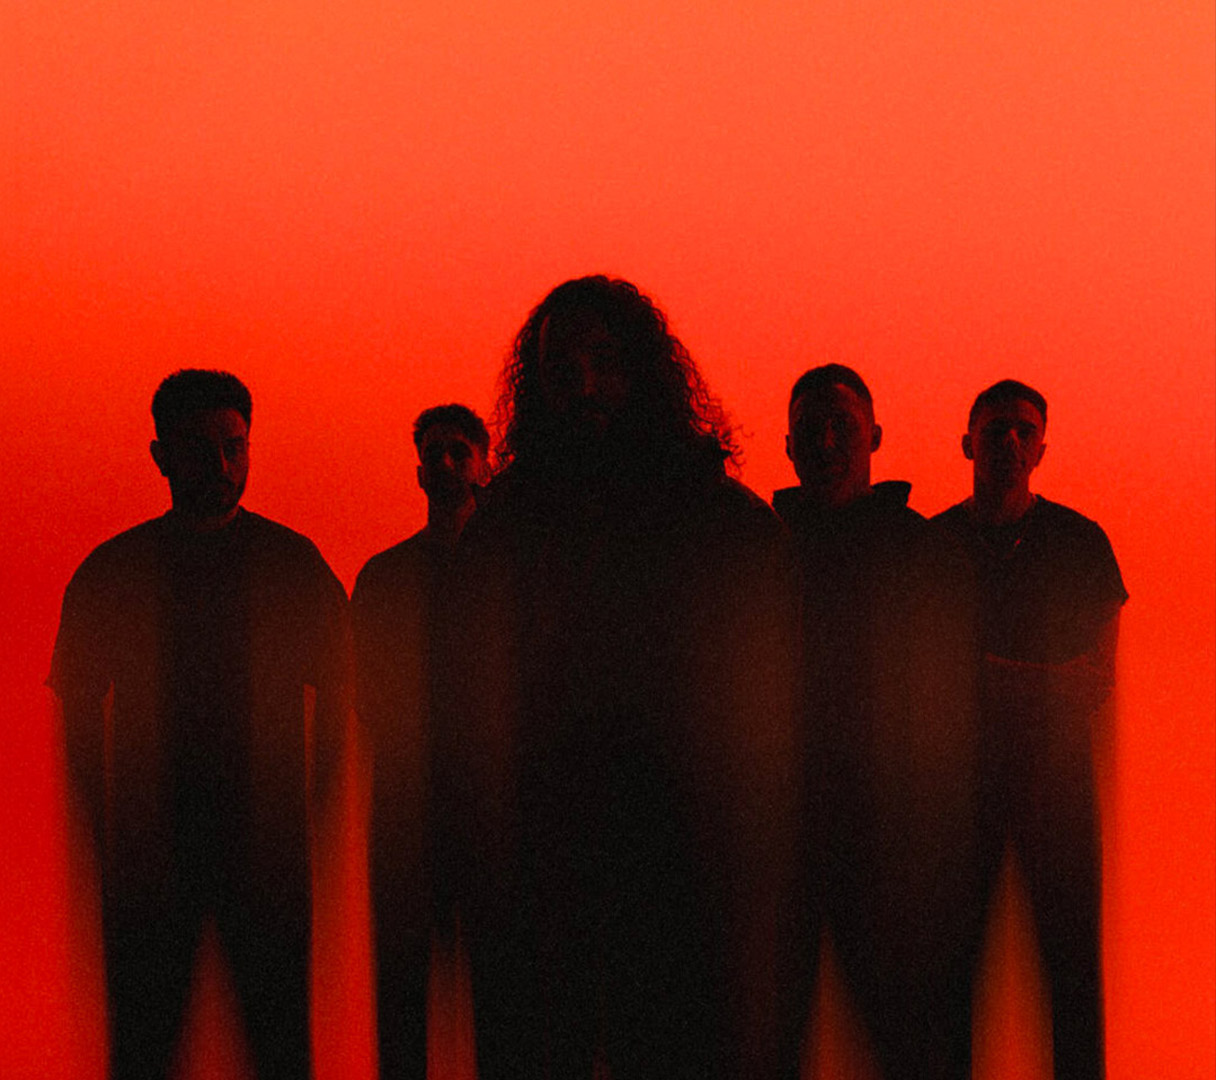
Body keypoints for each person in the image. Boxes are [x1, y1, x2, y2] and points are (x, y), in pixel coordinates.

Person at [429, 277, 800, 1079]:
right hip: (546, 855)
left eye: (604, 361)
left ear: (643, 371)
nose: (585, 386)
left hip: (682, 856)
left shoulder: (723, 520)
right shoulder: (511, 520)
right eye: (563, 367)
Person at [47, 370, 350, 1080]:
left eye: (234, 447)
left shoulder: (291, 565)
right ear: (161, 455)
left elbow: (340, 700)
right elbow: (81, 722)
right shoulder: (116, 572)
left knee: (273, 1048)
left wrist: (309, 818)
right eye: (200, 449)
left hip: (258, 856)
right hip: (156, 858)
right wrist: (109, 836)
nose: (220, 466)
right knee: (151, 1050)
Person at [772, 365, 979, 1079]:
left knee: (911, 1043)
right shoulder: (761, 549)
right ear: (789, 447)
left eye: (843, 427)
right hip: (778, 837)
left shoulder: (920, 551)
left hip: (891, 845)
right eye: (811, 430)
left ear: (876, 439)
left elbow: (951, 695)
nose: (827, 442)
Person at [934, 380, 1125, 1080]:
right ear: (967, 443)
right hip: (960, 791)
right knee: (949, 976)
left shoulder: (1079, 541)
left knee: (1071, 976)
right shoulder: (935, 544)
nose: (1009, 443)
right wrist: (1046, 681)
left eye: (1022, 430)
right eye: (996, 430)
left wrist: (982, 672)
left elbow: (1096, 681)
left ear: (1042, 445)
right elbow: (932, 678)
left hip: (1056, 789)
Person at [351, 403, 491, 1080]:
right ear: (417, 471)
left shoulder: (506, 576)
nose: (444, 463)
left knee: (501, 1000)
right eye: (434, 452)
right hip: (411, 816)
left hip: (493, 816)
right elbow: (366, 693)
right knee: (405, 997)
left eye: (457, 451)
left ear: (484, 466)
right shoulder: (384, 577)